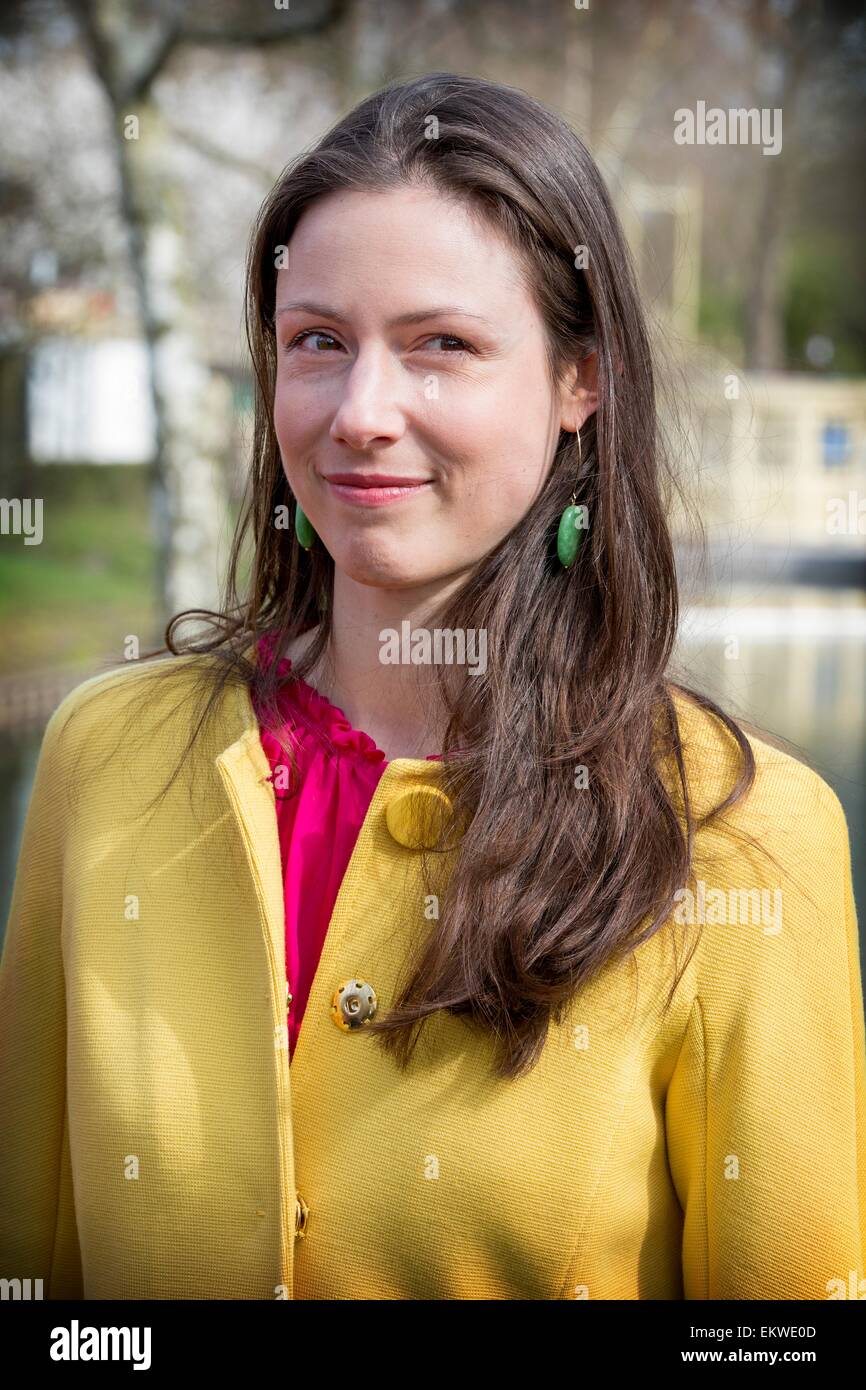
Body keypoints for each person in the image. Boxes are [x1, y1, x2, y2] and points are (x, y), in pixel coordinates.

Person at [1, 71, 863, 1301]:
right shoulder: (106, 758)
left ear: (582, 381)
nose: (360, 412)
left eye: (439, 347)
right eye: (319, 343)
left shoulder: (743, 841)